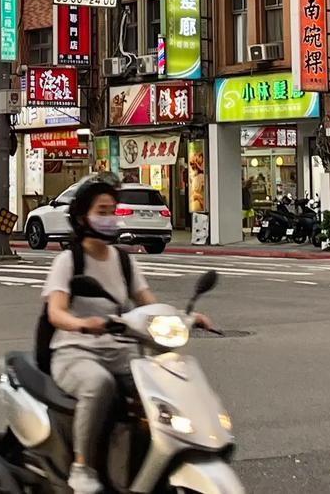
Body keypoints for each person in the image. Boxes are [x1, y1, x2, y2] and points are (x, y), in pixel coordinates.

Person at [43, 177, 212, 494]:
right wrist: (83, 324)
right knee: (98, 384)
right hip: (75, 352)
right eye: (101, 211)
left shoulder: (123, 260)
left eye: (112, 210)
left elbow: (150, 305)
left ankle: (152, 460)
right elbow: (56, 312)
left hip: (120, 351)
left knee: (163, 384)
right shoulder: (68, 261)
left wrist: (186, 318)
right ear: (82, 217)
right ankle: (82, 466)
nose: (108, 217)